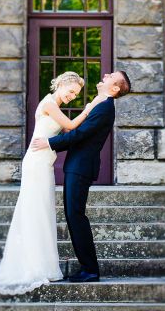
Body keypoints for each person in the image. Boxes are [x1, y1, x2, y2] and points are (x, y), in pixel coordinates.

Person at [0, 72, 102, 294]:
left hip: (44, 165)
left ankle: (43, 265)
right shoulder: (49, 103)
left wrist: (90, 110)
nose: (72, 97)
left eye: (76, 95)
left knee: (42, 212)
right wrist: (90, 107)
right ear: (63, 84)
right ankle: (32, 266)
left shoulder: (55, 105)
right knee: (34, 211)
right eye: (72, 91)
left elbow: (71, 131)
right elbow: (71, 124)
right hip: (36, 164)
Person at [31, 71, 131, 283]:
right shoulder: (100, 104)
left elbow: (79, 134)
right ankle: (88, 267)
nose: (105, 74)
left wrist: (50, 143)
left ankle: (90, 270)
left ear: (114, 88)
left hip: (81, 168)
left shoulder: (105, 108)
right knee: (73, 215)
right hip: (77, 166)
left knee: (76, 216)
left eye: (111, 76)